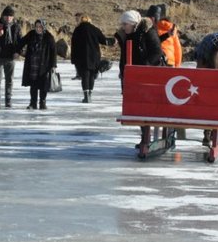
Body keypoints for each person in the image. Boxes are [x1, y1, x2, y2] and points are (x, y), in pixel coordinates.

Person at [115, 10, 164, 149]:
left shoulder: (148, 32)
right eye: (122, 24)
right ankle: (144, 136)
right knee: (137, 107)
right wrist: (122, 71)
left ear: (133, 23)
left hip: (148, 76)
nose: (123, 27)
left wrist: (145, 68)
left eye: (125, 24)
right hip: (131, 75)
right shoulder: (126, 35)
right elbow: (124, 56)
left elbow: (157, 52)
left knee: (145, 107)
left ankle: (146, 138)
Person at [16, 19, 57, 110]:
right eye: (37, 26)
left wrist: (53, 65)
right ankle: (33, 103)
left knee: (43, 85)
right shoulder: (31, 34)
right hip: (32, 64)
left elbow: (53, 52)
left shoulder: (49, 37)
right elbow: (21, 42)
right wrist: (18, 51)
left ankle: (42, 102)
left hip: (44, 65)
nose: (38, 28)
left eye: (40, 27)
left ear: (43, 27)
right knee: (33, 84)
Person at [0, 6, 22, 108]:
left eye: (10, 16)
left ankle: (8, 99)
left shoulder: (16, 26)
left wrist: (18, 52)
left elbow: (20, 41)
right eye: (6, 16)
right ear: (2, 16)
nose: (8, 18)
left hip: (11, 57)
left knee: (9, 80)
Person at [70, 13, 110, 103]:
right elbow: (104, 40)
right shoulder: (94, 29)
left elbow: (73, 45)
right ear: (89, 20)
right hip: (93, 56)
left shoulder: (77, 30)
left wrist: (73, 59)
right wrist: (113, 41)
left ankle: (86, 96)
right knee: (92, 75)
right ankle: (90, 95)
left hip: (81, 56)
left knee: (85, 76)